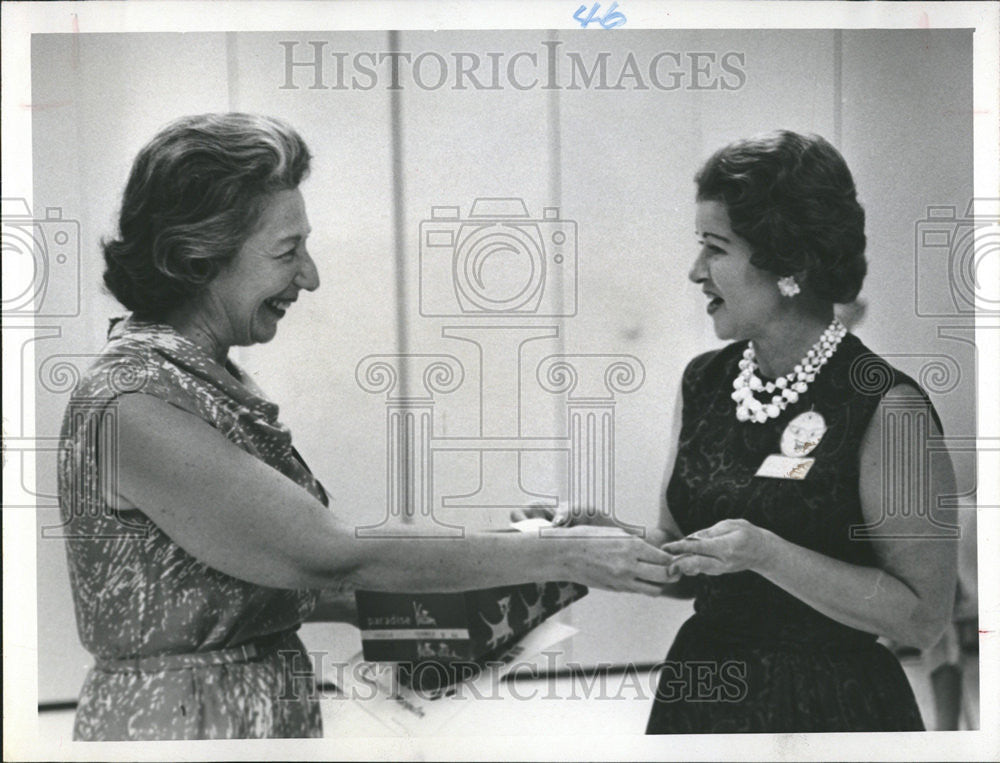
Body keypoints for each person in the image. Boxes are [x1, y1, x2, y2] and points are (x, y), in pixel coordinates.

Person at [57, 113, 674, 741]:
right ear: (197, 257)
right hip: (178, 729)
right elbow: (330, 557)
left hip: (246, 711)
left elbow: (299, 588)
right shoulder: (131, 401)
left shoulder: (202, 381)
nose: (310, 276)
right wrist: (565, 553)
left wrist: (540, 560)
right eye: (286, 251)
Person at [519, 130, 958, 733]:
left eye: (716, 247)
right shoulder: (704, 381)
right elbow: (684, 557)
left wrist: (768, 554)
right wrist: (605, 534)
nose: (696, 271)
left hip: (832, 710)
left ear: (791, 264)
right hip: (701, 698)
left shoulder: (887, 404)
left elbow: (923, 618)